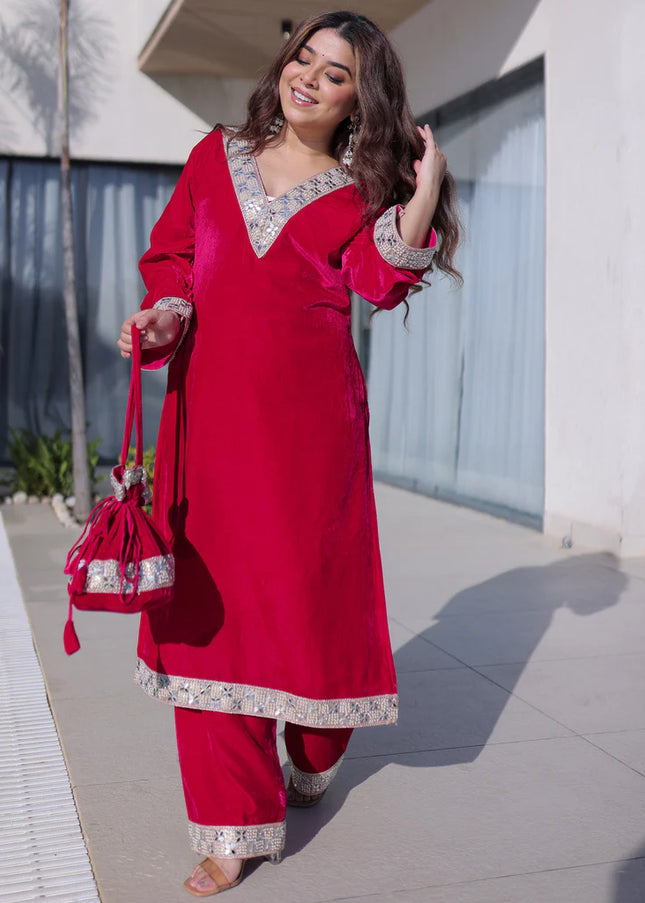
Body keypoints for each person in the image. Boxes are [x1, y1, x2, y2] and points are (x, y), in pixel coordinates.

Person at [117, 9, 460, 897]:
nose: (307, 75)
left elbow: (379, 281)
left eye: (334, 71)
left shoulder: (356, 190)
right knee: (211, 619)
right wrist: (163, 315)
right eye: (302, 57)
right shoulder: (211, 156)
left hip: (312, 441)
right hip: (209, 429)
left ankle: (312, 745)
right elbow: (174, 264)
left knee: (307, 623)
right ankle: (231, 828)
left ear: (358, 98)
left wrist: (419, 196)